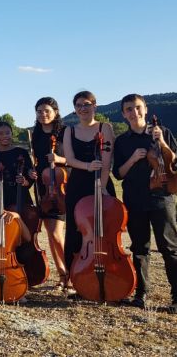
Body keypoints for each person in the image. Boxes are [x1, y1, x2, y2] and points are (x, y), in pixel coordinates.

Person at [113, 94, 177, 312]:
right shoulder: (122, 142)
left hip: (161, 197)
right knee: (140, 248)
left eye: (138, 108)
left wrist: (162, 142)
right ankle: (141, 295)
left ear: (145, 109)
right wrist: (132, 159)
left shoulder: (163, 132)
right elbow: (118, 174)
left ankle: (176, 297)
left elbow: (174, 164)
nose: (134, 112)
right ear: (123, 114)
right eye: (129, 109)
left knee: (169, 247)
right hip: (134, 198)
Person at [62, 91, 115, 295]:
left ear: (95, 106)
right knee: (75, 231)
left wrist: (101, 186)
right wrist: (87, 165)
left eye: (86, 104)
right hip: (77, 184)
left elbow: (107, 161)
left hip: (100, 181)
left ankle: (107, 273)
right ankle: (73, 277)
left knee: (104, 231)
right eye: (78, 105)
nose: (82, 108)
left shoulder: (105, 128)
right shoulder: (69, 131)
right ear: (75, 109)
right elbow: (70, 160)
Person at [29, 97, 68, 290]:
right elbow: (35, 161)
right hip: (43, 188)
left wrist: (59, 158)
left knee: (57, 234)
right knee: (51, 236)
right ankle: (62, 276)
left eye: (47, 111)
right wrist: (32, 171)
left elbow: (72, 158)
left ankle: (69, 276)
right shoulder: (34, 135)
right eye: (39, 111)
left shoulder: (64, 132)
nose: (43, 114)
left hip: (60, 185)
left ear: (55, 112)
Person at [0, 121, 34, 208]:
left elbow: (30, 174)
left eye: (7, 133)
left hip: (22, 197)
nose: (5, 136)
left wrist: (25, 182)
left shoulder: (22, 152)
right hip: (2, 199)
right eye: (1, 133)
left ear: (12, 134)